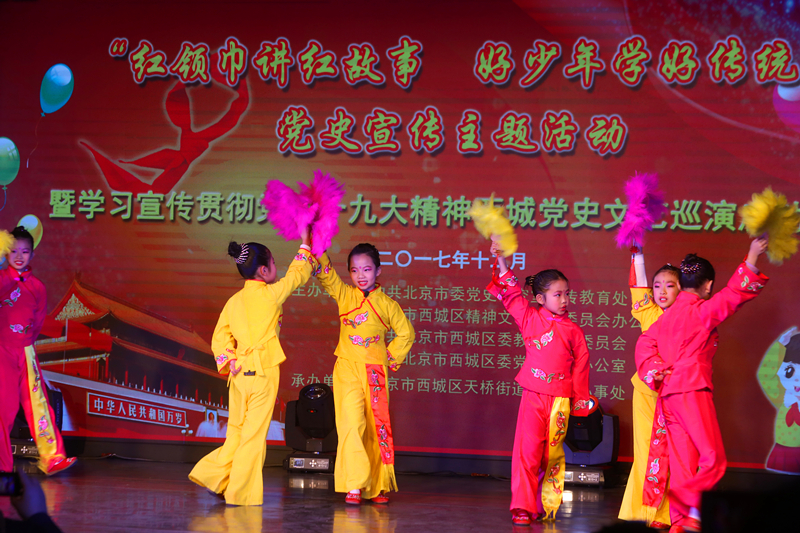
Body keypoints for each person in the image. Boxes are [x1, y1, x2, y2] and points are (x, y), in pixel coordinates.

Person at [635, 237, 769, 533]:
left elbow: (644, 342)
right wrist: (752, 256)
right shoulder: (700, 311)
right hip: (691, 391)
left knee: (684, 462)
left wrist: (655, 369)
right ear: (708, 286)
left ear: (681, 284)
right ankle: (686, 499)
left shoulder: (667, 318)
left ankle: (682, 523)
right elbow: (734, 294)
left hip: (669, 395)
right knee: (713, 459)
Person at [189, 228, 317, 506]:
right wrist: (305, 245)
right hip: (262, 371)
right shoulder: (271, 294)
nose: (276, 268)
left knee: (236, 431)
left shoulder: (233, 301)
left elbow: (220, 336)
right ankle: (239, 493)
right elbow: (297, 274)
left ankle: (216, 478)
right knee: (253, 436)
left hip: (238, 374)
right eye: (273, 263)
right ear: (263, 270)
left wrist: (229, 359)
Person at [487, 240, 590, 525]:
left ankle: (544, 504)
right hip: (533, 395)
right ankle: (522, 507)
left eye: (567, 294)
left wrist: (579, 400)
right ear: (541, 299)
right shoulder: (529, 317)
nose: (564, 299)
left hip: (560, 399)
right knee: (527, 453)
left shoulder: (574, 331)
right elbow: (511, 291)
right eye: (558, 295)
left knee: (551, 455)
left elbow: (581, 366)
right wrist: (502, 259)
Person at [315, 243, 415, 505]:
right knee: (350, 424)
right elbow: (327, 274)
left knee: (375, 428)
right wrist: (317, 244)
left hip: (374, 372)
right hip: (347, 367)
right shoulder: (345, 295)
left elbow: (406, 333)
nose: (361, 275)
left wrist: (388, 359)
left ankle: (378, 485)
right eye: (354, 270)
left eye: (367, 269)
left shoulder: (388, 304)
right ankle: (355, 484)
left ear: (378, 270)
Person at [0, 227, 76, 475]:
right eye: (13, 251)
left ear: (32, 255)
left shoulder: (38, 287)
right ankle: (3, 466)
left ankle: (52, 457)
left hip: (26, 351)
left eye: (25, 251)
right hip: (2, 351)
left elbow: (38, 323)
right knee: (4, 409)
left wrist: (26, 346)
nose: (19, 256)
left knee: (38, 404)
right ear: (6, 253)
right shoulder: (1, 280)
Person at [618, 247, 681, 529]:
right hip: (646, 394)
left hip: (676, 395)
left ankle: (668, 514)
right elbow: (638, 284)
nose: (662, 291)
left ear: (682, 289)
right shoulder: (649, 313)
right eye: (657, 286)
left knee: (673, 454)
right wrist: (638, 254)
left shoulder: (690, 317)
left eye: (670, 285)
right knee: (646, 452)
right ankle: (644, 514)